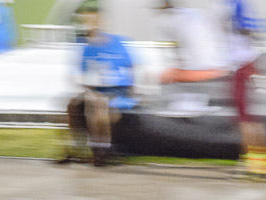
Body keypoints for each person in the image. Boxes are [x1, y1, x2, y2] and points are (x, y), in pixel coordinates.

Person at [58, 5, 137, 167]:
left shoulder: (117, 43)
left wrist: (131, 90)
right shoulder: (87, 49)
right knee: (72, 104)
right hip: (96, 91)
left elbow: (131, 69)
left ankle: (101, 151)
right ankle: (76, 148)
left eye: (92, 20)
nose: (89, 24)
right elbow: (84, 77)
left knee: (97, 103)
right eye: (85, 21)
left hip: (116, 91)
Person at [216, 0, 266, 176]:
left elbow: (245, 29)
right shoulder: (240, 3)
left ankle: (255, 165)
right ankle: (261, 163)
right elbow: (250, 30)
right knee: (248, 117)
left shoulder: (234, 4)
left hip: (239, 64)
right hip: (244, 61)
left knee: (244, 119)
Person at [153, 1, 227, 84]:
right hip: (216, 72)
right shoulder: (201, 14)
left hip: (202, 75)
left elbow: (205, 67)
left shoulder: (167, 20)